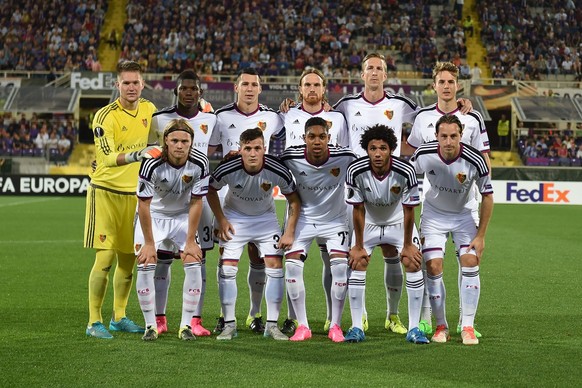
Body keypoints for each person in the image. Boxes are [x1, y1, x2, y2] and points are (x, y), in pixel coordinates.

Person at [333, 53, 472, 333]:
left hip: (391, 187)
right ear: (362, 74)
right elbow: (324, 112)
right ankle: (342, 318)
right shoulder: (345, 104)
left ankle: (394, 316)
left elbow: (431, 114)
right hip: (357, 186)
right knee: (342, 256)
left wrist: (458, 105)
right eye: (369, 68)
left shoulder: (401, 104)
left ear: (385, 75)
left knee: (394, 253)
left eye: (379, 69)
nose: (374, 73)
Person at [407, 61, 490, 338]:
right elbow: (411, 157)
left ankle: (466, 323)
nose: (445, 86)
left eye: (450, 82)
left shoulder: (472, 118)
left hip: (466, 208)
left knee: (469, 260)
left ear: (457, 86)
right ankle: (435, 321)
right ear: (434, 86)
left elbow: (484, 163)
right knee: (433, 265)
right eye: (441, 82)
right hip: (434, 210)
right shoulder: (422, 119)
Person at [84, 60, 159, 339]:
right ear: (117, 85)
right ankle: (94, 321)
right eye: (125, 82)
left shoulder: (150, 110)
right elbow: (105, 158)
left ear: (142, 83)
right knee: (104, 258)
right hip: (105, 193)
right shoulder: (104, 116)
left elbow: (165, 138)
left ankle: (119, 316)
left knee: (129, 261)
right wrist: (138, 155)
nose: (130, 87)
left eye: (135, 82)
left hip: (135, 194)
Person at [208, 68, 284, 334]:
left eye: (254, 84)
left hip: (260, 193)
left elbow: (292, 138)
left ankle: (256, 314)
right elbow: (208, 151)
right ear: (236, 88)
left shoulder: (273, 118)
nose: (250, 88)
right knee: (224, 257)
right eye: (245, 84)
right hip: (228, 190)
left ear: (260, 89)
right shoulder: (220, 117)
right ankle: (224, 314)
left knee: (258, 256)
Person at [207, 128, 301, 340]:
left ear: (264, 149)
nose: (252, 153)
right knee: (228, 268)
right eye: (247, 148)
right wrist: (221, 219)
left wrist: (289, 231)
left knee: (275, 267)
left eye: (257, 148)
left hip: (265, 220)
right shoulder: (228, 168)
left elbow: (294, 199)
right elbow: (211, 191)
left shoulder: (277, 169)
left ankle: (272, 325)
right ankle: (229, 325)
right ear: (240, 150)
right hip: (235, 219)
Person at [277, 68, 349, 335]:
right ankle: (298, 322)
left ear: (324, 88)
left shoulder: (337, 119)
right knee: (292, 263)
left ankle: (335, 321)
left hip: (333, 208)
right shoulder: (287, 114)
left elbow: (350, 159)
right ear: (299, 89)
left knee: (335, 263)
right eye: (307, 84)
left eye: (316, 84)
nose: (312, 89)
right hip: (300, 207)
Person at [148, 70, 217, 336]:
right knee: (162, 259)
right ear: (176, 90)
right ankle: (160, 318)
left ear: (200, 93)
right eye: (184, 88)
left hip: (199, 197)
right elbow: (147, 151)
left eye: (194, 89)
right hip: (166, 200)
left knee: (198, 258)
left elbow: (218, 147)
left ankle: (195, 320)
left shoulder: (211, 118)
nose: (189, 92)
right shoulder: (159, 118)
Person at [344, 124, 426, 344]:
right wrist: (359, 245)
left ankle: (414, 328)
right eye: (372, 148)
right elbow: (358, 209)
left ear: (391, 149)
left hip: (398, 222)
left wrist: (408, 244)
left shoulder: (406, 171)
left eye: (383, 148)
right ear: (366, 149)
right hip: (368, 223)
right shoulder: (355, 171)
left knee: (412, 261)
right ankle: (356, 326)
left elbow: (409, 210)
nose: (377, 153)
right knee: (358, 262)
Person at [135, 119, 210, 341]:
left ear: (191, 142)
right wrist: (149, 243)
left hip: (181, 218)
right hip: (153, 217)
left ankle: (186, 325)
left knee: (193, 260)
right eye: (174, 140)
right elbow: (143, 205)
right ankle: (150, 326)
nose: (179, 145)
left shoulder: (200, 163)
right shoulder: (151, 163)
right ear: (166, 141)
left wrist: (190, 240)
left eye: (184, 141)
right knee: (145, 262)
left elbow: (197, 202)